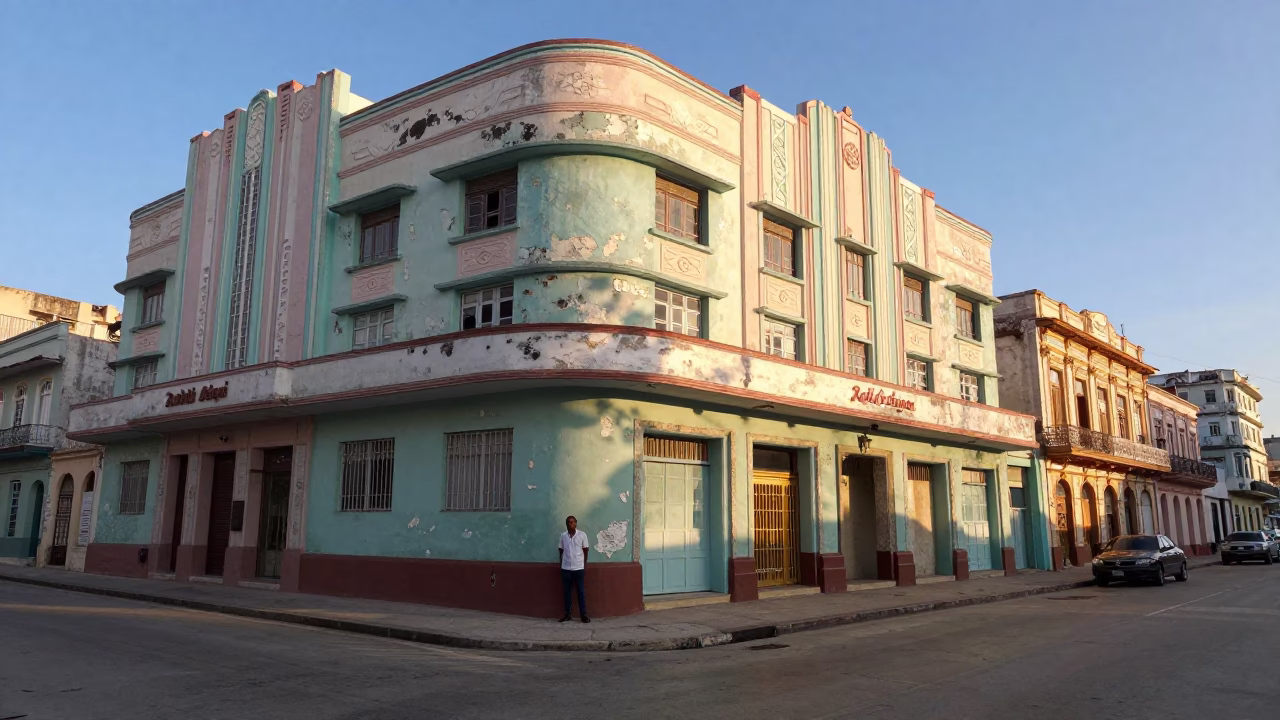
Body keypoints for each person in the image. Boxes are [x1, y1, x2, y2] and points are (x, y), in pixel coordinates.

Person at [558, 515, 590, 623]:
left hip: (579, 568)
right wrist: (561, 565)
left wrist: (584, 565)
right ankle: (567, 614)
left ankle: (583, 615)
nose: (571, 524)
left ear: (576, 523)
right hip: (566, 568)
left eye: (573, 522)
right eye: (569, 522)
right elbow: (561, 551)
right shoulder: (563, 536)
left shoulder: (582, 535)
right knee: (567, 592)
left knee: (580, 591)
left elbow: (585, 551)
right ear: (566, 524)